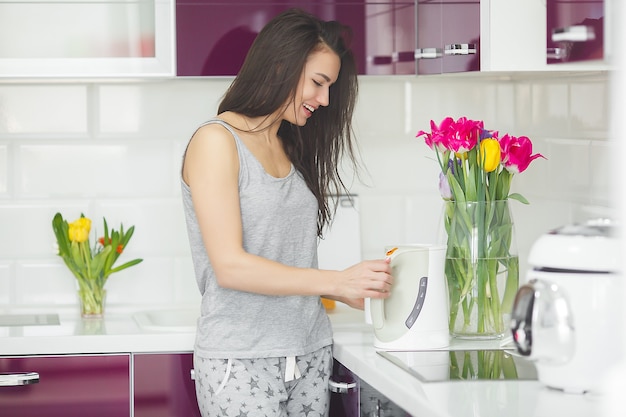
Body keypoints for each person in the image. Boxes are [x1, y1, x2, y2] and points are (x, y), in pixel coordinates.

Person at [181, 8, 393, 416]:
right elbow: (231, 267)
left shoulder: (291, 146)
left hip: (310, 351)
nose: (325, 99)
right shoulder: (216, 141)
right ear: (281, 65)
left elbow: (285, 261)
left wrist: (349, 289)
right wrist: (335, 279)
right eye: (318, 82)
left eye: (329, 86)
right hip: (241, 359)